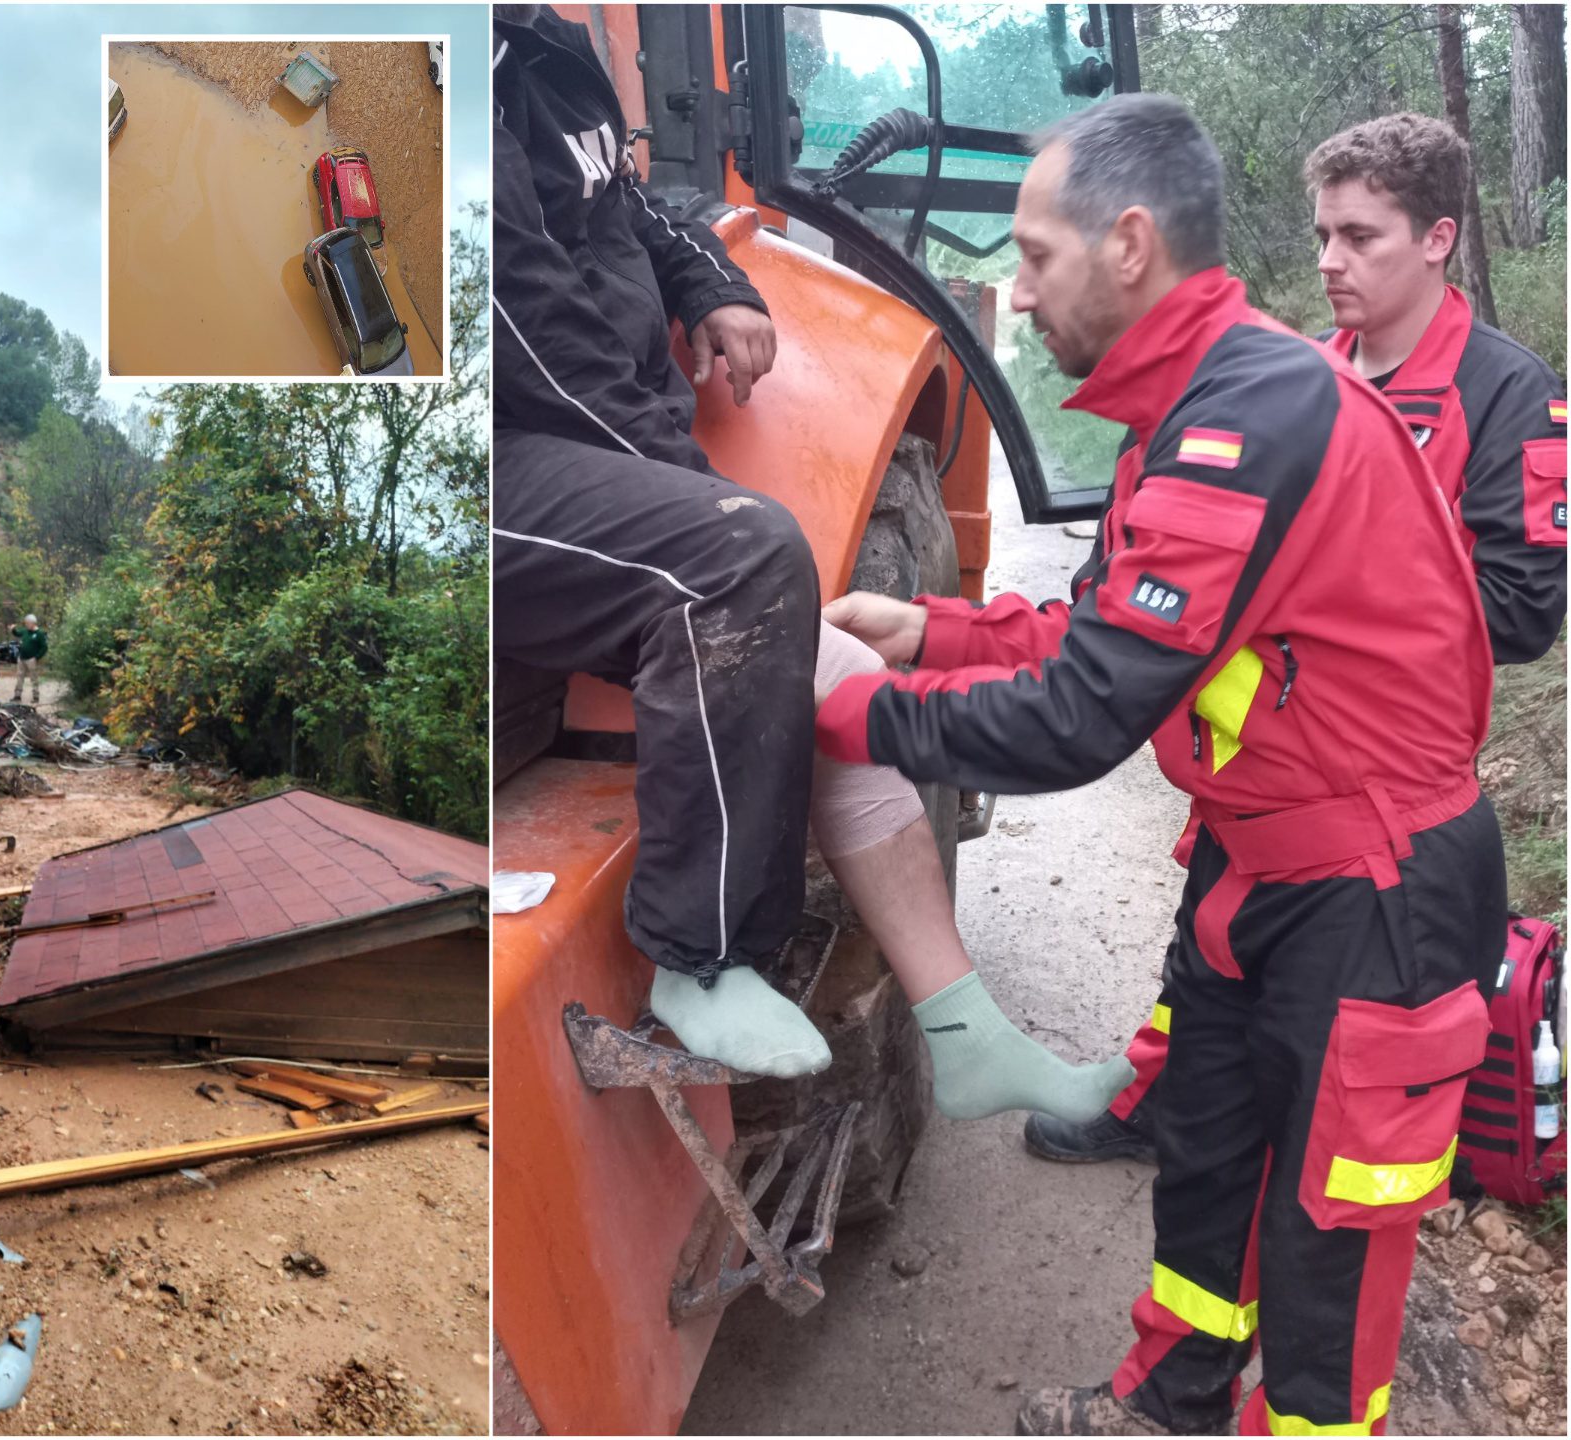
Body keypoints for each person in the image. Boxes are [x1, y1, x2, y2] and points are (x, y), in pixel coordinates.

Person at [823, 94, 1501, 1436]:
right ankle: (1168, 1404)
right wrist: (933, 629)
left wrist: (841, 721)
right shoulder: (1196, 401)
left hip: (1374, 899)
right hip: (1269, 874)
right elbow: (1113, 629)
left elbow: (1083, 716)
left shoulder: (1244, 417)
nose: (1018, 291)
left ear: (1128, 244)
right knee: (1204, 1161)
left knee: (1328, 1249)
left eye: (1035, 255)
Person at [491, 3, 1128, 1119]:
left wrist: (716, 285)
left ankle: (962, 1028)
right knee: (743, 555)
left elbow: (626, 201)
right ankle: (701, 961)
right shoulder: (451, 70)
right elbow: (518, 313)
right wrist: (675, 482)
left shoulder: (549, 50)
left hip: (597, 424)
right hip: (504, 447)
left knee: (816, 642)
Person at [1026, 110, 1568, 1170]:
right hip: (1246, 757)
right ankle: (1168, 1098)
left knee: (1341, 1030)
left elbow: (1523, 608)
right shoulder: (1295, 378)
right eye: (1322, 234)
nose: (1328, 261)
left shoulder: (1510, 394)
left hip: (1374, 773)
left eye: (1359, 237)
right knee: (1206, 945)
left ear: (1438, 239)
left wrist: (1334, 599)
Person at [12, 613, 48, 704]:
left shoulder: (39, 634)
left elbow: (44, 647)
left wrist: (36, 657)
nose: (26, 625)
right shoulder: (25, 631)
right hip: (22, 658)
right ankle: (17, 695)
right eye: (25, 623)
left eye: (27, 623)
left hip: (31, 659)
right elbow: (17, 633)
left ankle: (36, 697)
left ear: (32, 623)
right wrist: (13, 629)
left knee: (34, 678)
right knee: (19, 676)